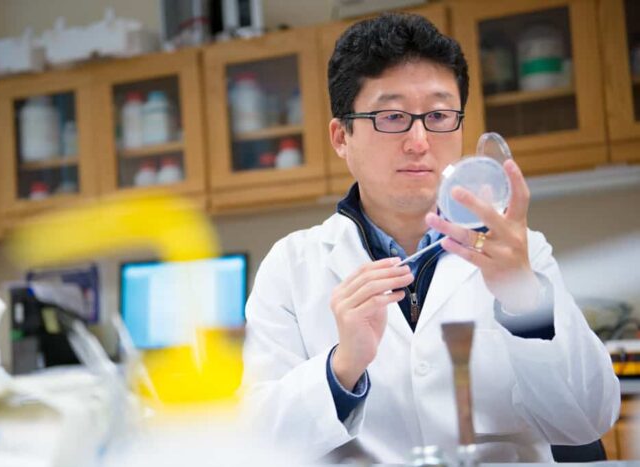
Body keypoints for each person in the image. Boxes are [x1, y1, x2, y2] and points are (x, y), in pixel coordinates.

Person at [241, 13, 619, 463]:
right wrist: (341, 367)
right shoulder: (292, 265)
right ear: (342, 137)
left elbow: (588, 421)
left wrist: (524, 301)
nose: (419, 141)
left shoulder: (519, 251)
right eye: (393, 116)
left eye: (439, 115)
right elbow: (258, 445)